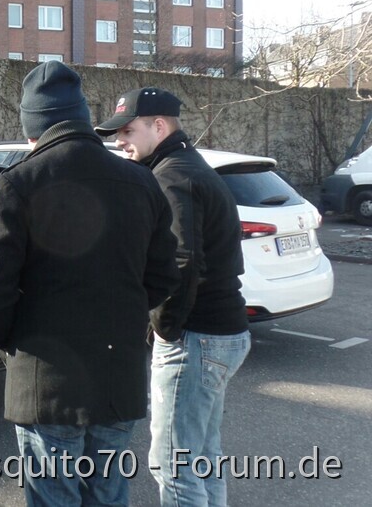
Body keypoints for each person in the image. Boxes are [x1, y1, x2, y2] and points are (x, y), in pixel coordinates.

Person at [0, 62, 179, 507]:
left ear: (33, 128)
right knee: (108, 495)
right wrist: (122, 318)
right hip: (117, 378)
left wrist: (10, 342)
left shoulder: (16, 183)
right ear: (83, 117)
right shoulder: (141, 181)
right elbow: (162, 275)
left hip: (46, 383)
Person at [95, 87, 251, 507]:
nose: (118, 142)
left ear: (158, 126)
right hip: (222, 331)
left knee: (174, 465)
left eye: (127, 130)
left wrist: (165, 329)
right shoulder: (186, 166)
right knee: (201, 458)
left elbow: (182, 259)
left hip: (197, 336)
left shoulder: (172, 175)